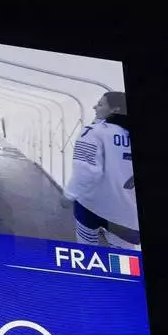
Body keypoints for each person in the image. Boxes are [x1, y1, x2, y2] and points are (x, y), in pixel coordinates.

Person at [64, 91, 139, 248]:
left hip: (90, 205)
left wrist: (69, 195)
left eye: (100, 104)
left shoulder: (94, 131)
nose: (94, 107)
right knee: (123, 261)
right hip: (126, 212)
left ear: (115, 110)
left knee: (87, 250)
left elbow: (85, 171)